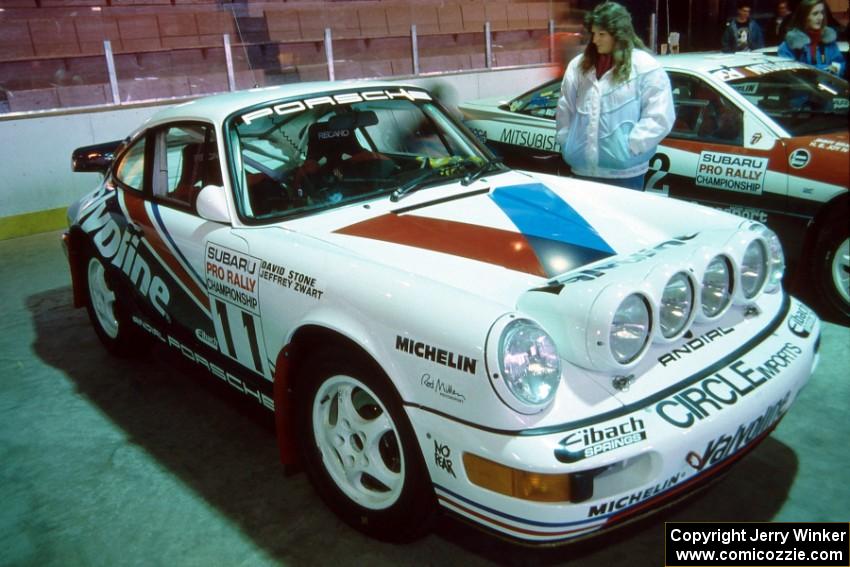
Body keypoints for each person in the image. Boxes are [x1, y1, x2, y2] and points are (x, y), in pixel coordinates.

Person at [554, 1, 674, 191]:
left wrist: (630, 147)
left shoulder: (645, 67)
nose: (595, 40)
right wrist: (567, 141)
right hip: (582, 171)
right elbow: (565, 108)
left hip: (625, 175)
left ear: (619, 35)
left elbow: (659, 116)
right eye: (593, 33)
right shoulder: (578, 66)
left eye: (602, 34)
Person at [778, 0, 846, 76]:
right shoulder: (789, 45)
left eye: (822, 13)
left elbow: (839, 63)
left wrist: (836, 68)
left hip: (829, 86)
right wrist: (825, 69)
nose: (820, 17)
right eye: (815, 14)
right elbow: (790, 74)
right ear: (804, 17)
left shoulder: (829, 41)